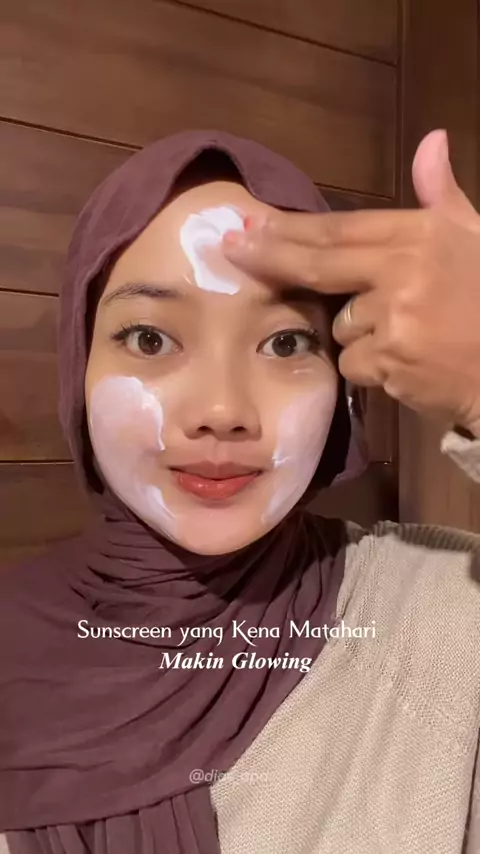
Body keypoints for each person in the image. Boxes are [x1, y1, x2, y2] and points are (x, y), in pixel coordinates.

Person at [0, 129, 478, 854]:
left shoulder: (441, 616)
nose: (222, 410)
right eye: (150, 339)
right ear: (79, 364)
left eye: (285, 343)